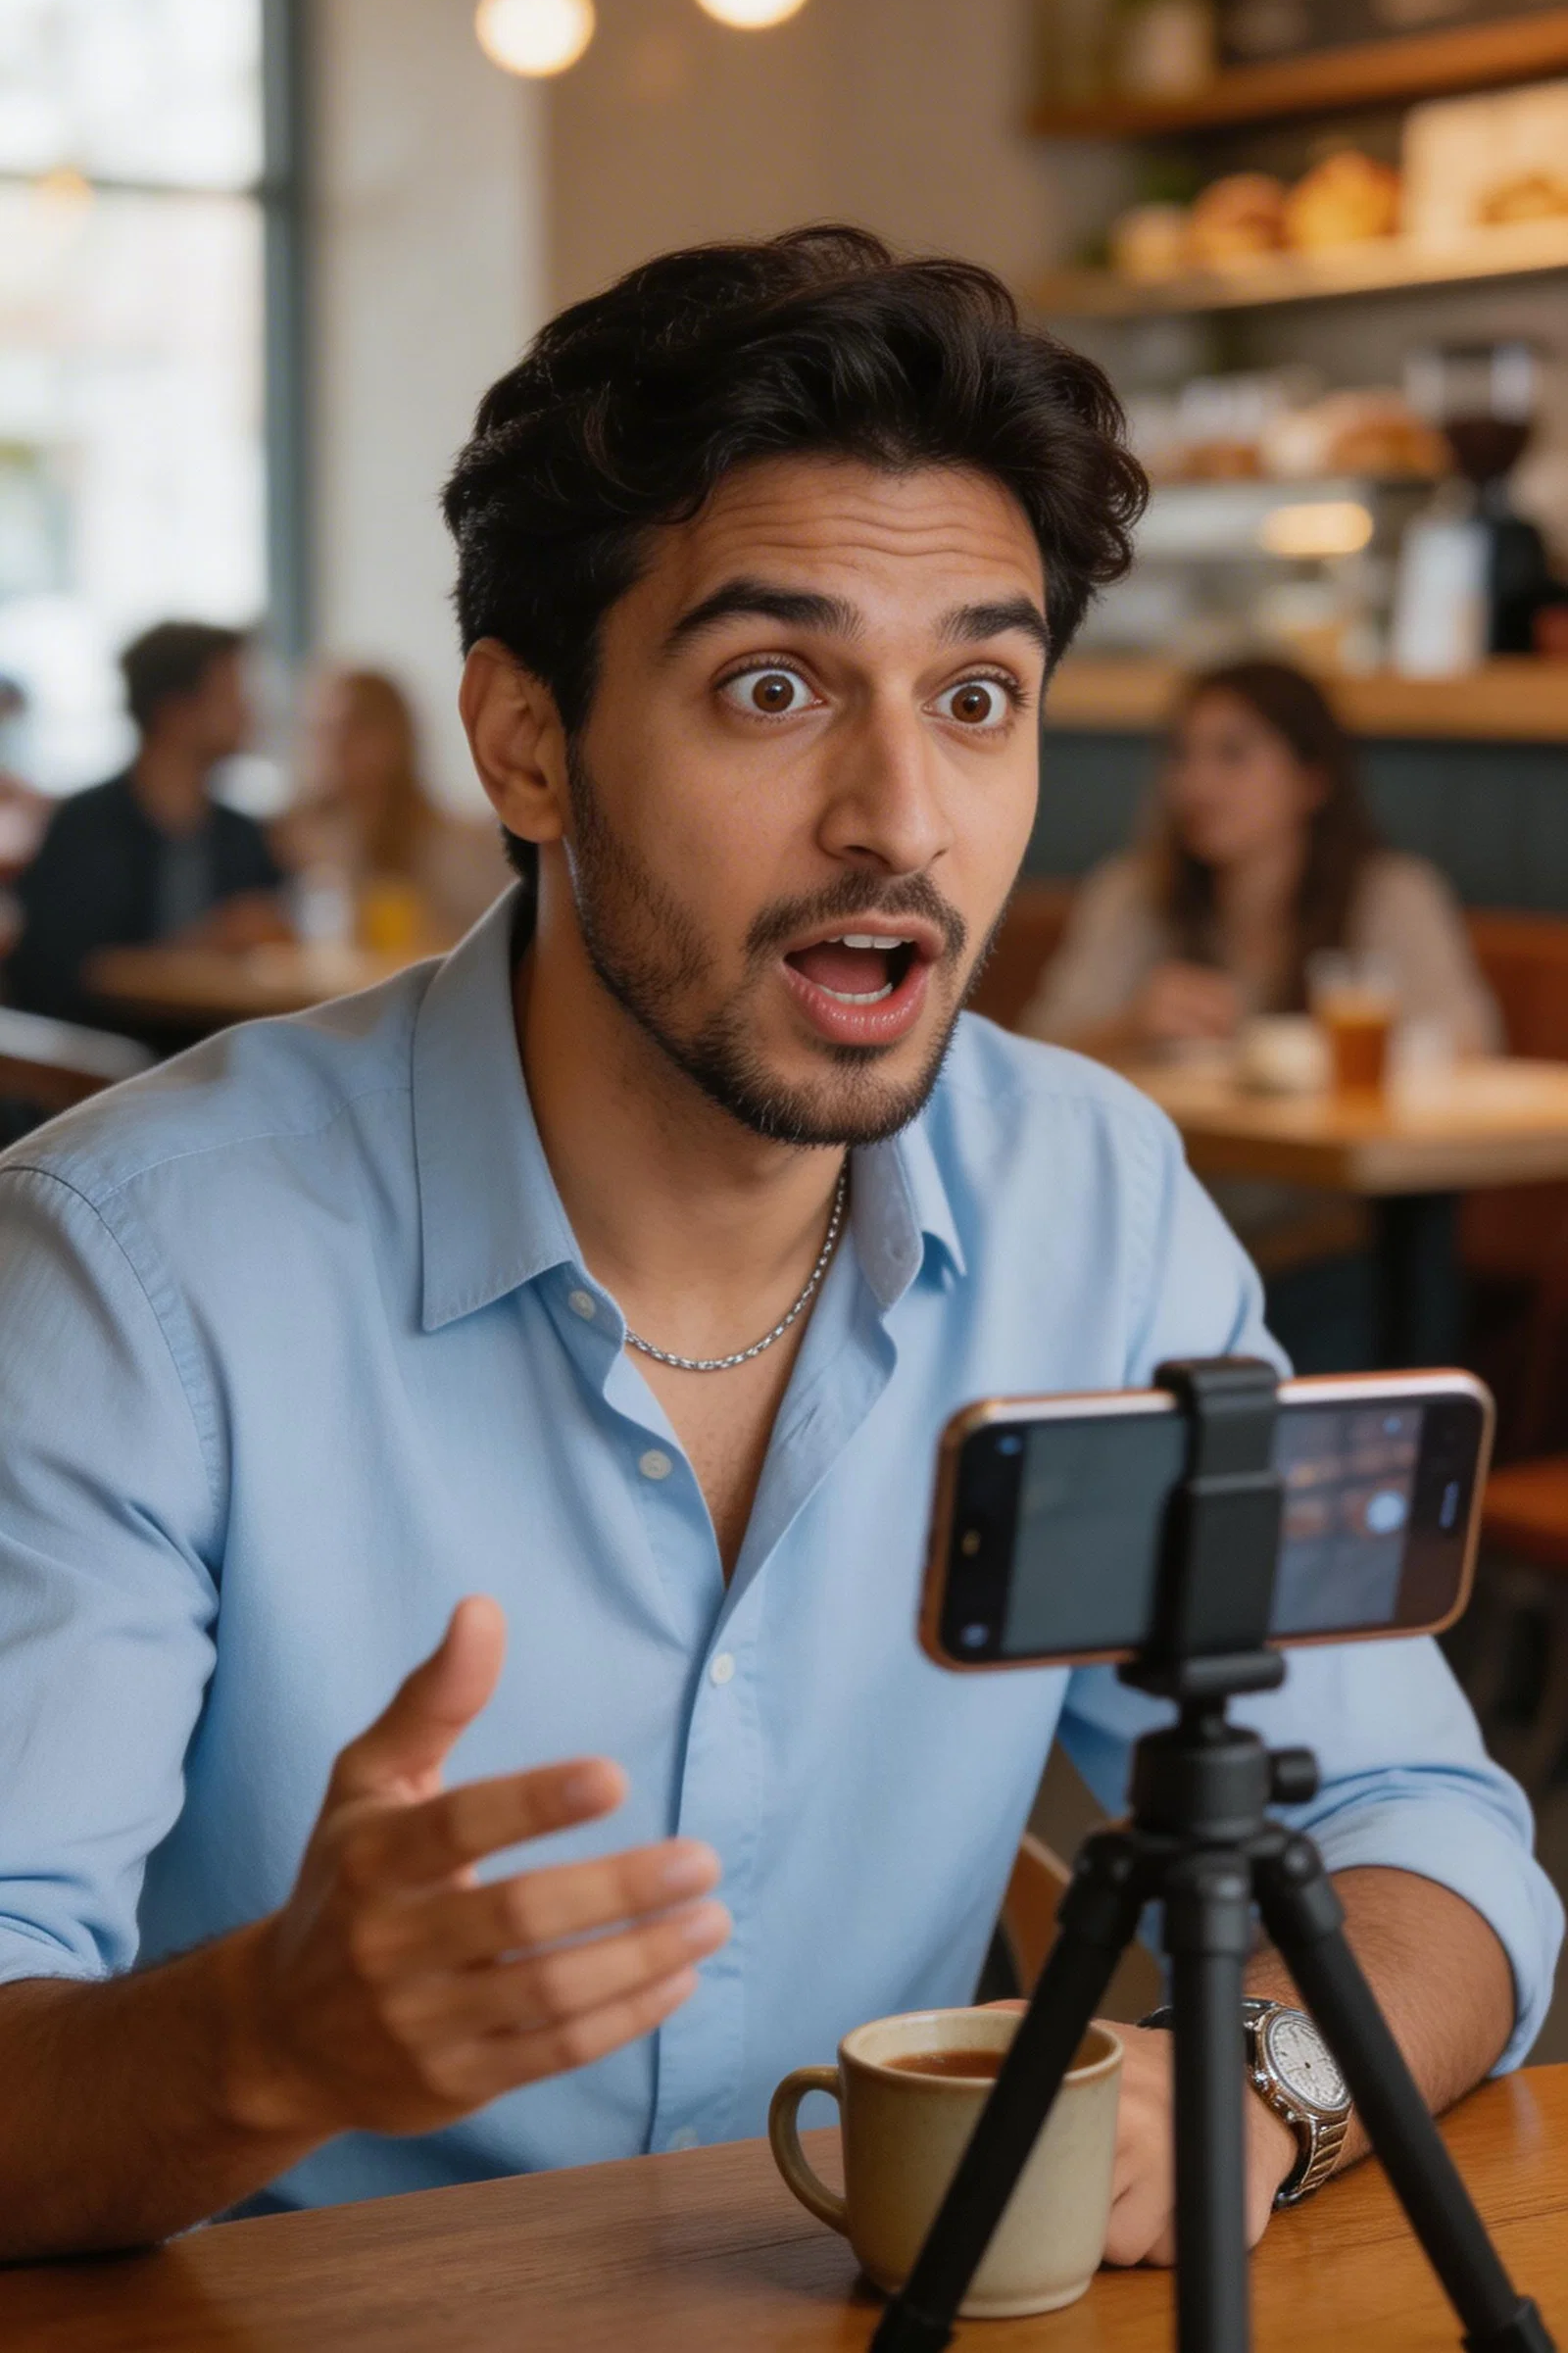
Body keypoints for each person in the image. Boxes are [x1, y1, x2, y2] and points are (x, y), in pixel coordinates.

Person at [0, 231, 1555, 2266]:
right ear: (526, 742)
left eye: (978, 697)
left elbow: (1426, 1838)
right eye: (771, 686)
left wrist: (1246, 2093)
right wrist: (269, 2043)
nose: (898, 816)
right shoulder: (136, 1272)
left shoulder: (1088, 1207)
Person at [1022, 660, 1501, 1367]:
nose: (1196, 784)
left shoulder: (1389, 895)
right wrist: (1130, 1026)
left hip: (1316, 1247)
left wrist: (1316, 1058)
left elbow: (1469, 1048)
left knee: (1397, 1257)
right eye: (1182, 757)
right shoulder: (1134, 896)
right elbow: (1033, 1061)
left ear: (1313, 779)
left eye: (1232, 755)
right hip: (1156, 1245)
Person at [4, 621, 289, 1029]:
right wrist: (205, 943)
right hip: (107, 1067)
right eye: (231, 695)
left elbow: (278, 934)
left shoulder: (241, 833)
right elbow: (57, 972)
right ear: (174, 711)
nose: (250, 711)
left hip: (215, 1053)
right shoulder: (87, 827)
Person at [275, 665, 509, 947]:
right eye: (320, 731)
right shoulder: (294, 840)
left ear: (394, 739)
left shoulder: (454, 844)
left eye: (351, 729)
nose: (332, 747)